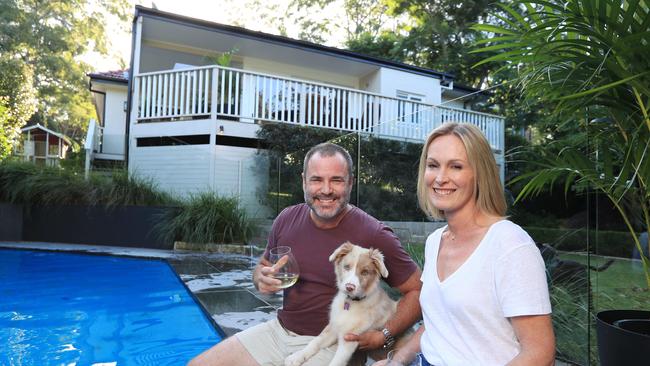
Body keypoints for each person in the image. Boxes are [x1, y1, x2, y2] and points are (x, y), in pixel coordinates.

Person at [189, 142, 422, 366]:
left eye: (336, 180)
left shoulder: (373, 234)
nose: (326, 190)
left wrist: (384, 335)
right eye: (317, 180)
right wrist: (261, 276)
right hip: (279, 331)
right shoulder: (286, 218)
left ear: (350, 183)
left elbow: (417, 290)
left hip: (330, 343)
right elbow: (263, 266)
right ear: (304, 181)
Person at [375, 123, 555, 366]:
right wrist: (396, 361)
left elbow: (540, 352)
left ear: (480, 174)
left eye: (456, 166)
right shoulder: (434, 241)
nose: (440, 178)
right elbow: (438, 324)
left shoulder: (510, 245)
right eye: (433, 165)